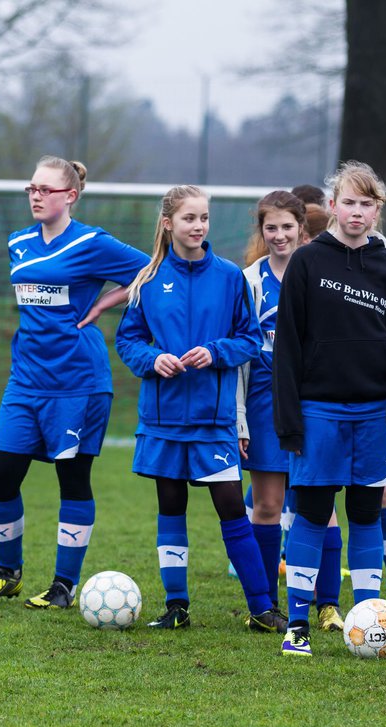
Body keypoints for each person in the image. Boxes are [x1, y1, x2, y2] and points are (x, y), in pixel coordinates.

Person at [0, 156, 149, 610]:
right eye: (31, 187)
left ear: (70, 196)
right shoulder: (18, 242)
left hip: (79, 383)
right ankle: (8, 572)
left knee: (73, 479)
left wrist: (105, 303)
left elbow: (152, 269)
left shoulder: (92, 242)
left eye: (45, 189)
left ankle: (63, 584)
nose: (35, 195)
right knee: (2, 476)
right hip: (25, 380)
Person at [115, 185, 284, 632]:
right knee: (170, 505)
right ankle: (176, 607)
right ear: (168, 223)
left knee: (231, 505)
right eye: (189, 218)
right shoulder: (148, 280)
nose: (198, 226)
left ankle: (262, 607)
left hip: (214, 420)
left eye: (204, 218)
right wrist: (153, 359)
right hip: (163, 419)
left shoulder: (230, 277)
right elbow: (127, 341)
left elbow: (249, 339)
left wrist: (215, 352)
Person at [273, 161, 386, 657]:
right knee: (313, 514)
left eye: (367, 204)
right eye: (348, 202)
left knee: (365, 515)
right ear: (332, 204)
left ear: (378, 210)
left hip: (375, 415)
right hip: (317, 411)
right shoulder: (307, 262)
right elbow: (288, 348)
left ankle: (368, 618)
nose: (356, 212)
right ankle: (297, 623)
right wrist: (288, 420)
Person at [238, 190, 308, 620]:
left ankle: (322, 603)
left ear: (302, 228)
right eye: (271, 228)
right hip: (263, 399)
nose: (279, 235)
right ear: (262, 231)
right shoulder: (249, 280)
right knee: (267, 504)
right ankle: (265, 605)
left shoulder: (318, 273)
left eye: (287, 227)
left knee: (314, 503)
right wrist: (240, 418)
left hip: (312, 399)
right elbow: (242, 355)